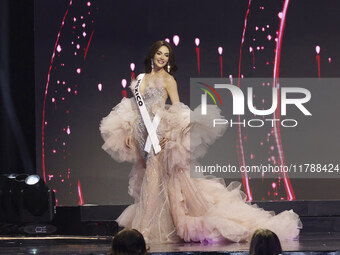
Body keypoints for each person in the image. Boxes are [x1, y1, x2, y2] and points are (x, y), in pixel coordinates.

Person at [100, 40, 302, 244]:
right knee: (152, 180)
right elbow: (137, 107)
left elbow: (178, 108)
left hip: (158, 132)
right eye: (159, 53)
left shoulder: (169, 80)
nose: (162, 57)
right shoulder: (141, 78)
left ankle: (146, 229)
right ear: (152, 55)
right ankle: (155, 224)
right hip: (141, 133)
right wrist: (129, 130)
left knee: (153, 179)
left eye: (166, 55)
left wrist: (170, 134)